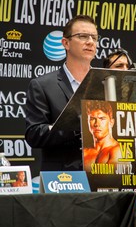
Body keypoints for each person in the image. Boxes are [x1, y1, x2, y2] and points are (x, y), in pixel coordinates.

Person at [25, 15, 99, 171]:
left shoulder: (106, 84)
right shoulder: (42, 85)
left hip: (103, 177)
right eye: (83, 36)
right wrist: (74, 126)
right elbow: (34, 134)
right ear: (66, 43)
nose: (90, 42)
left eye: (94, 37)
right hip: (63, 181)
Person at [83, 100, 129, 173]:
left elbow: (105, 181)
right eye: (92, 119)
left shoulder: (119, 151)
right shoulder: (84, 152)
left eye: (102, 119)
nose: (97, 124)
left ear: (111, 122)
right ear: (88, 122)